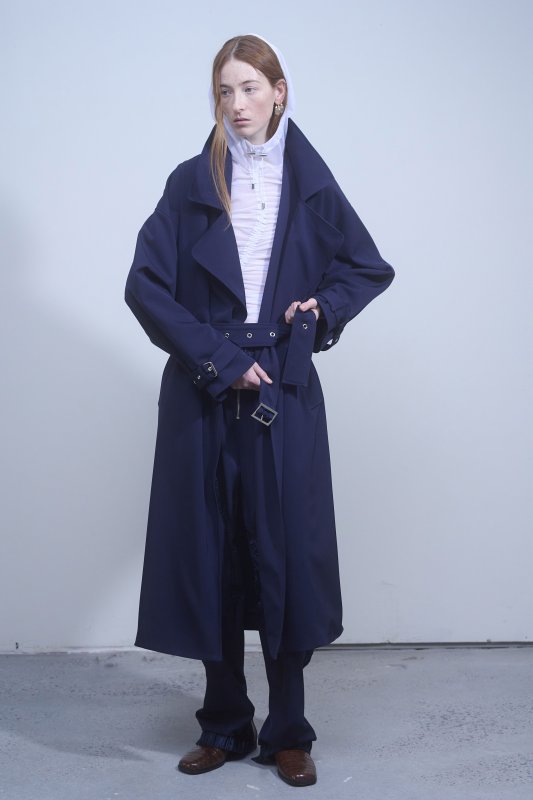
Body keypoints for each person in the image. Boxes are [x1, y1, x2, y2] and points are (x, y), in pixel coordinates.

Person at [125, 34, 394, 788]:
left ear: (279, 91)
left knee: (285, 556)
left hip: (283, 389)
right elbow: (145, 286)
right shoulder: (190, 181)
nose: (236, 104)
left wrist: (320, 310)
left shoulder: (311, 181)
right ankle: (222, 724)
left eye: (249, 88)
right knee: (211, 553)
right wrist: (217, 359)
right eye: (224, 91)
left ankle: (288, 732)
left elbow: (366, 267)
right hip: (205, 391)